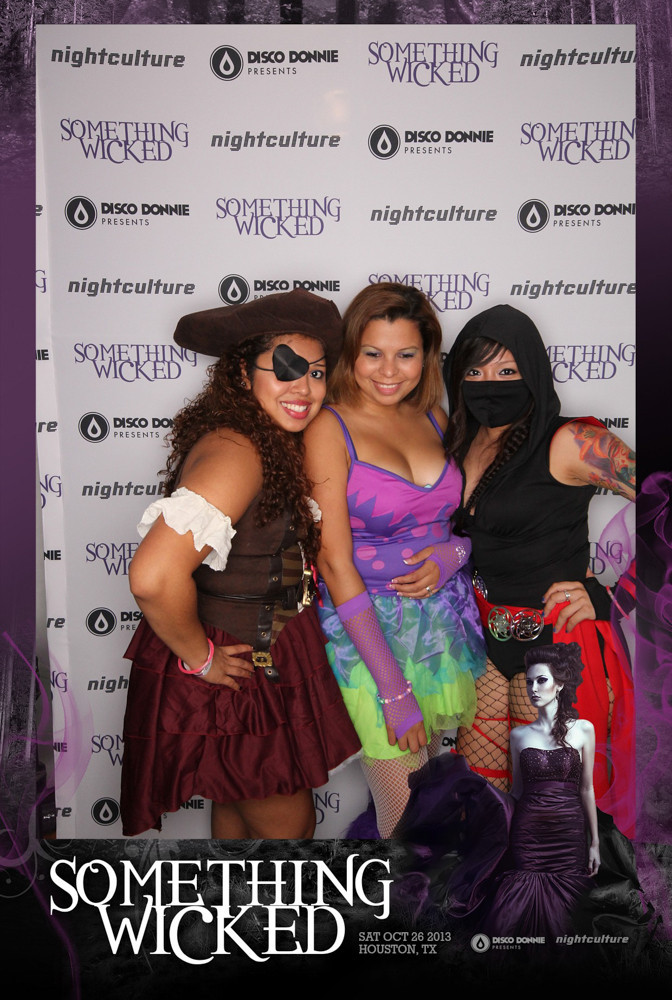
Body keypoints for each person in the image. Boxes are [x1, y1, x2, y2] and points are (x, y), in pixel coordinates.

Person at [120, 289, 361, 839]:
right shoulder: (239, 452)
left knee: (237, 816)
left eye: (317, 373)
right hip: (239, 670)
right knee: (287, 834)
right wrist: (200, 659)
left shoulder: (261, 440)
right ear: (241, 374)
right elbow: (153, 576)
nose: (305, 388)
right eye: (286, 369)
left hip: (262, 656)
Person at [443, 303, 635, 835]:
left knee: (555, 823)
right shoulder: (459, 440)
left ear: (533, 369)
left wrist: (613, 596)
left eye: (507, 370)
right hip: (484, 647)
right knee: (483, 812)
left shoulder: (572, 440)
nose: (490, 384)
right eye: (475, 370)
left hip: (556, 646)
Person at [304, 282, 486, 838]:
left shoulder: (435, 416)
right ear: (350, 354)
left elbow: (466, 522)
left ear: (426, 355)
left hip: (442, 629)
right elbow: (334, 564)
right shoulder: (327, 427)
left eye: (405, 354)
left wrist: (455, 553)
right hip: (366, 638)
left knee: (434, 804)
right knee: (407, 820)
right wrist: (392, 687)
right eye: (372, 353)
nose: (389, 371)